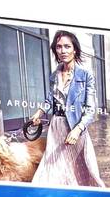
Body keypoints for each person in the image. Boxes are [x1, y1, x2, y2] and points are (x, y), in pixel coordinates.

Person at [29, 31, 104, 188]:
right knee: (51, 168)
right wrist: (39, 112)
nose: (63, 51)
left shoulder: (85, 75)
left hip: (76, 128)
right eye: (58, 47)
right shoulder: (54, 75)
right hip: (56, 127)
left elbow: (90, 109)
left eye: (67, 46)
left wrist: (77, 130)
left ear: (74, 49)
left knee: (81, 172)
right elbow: (51, 99)